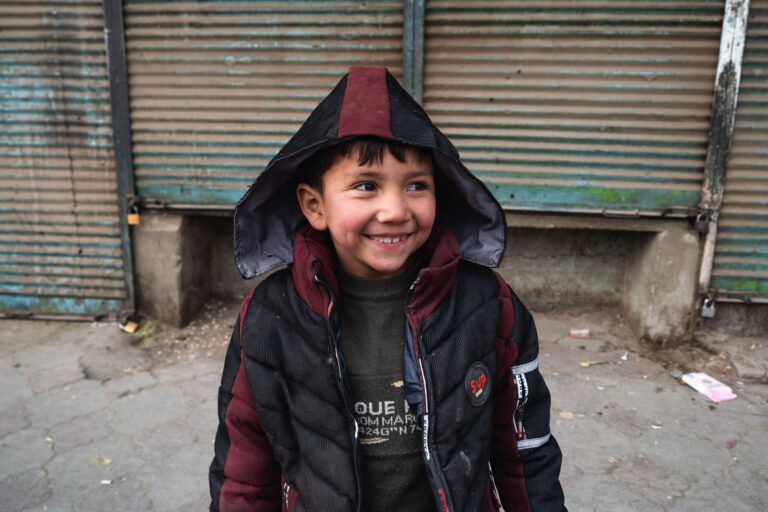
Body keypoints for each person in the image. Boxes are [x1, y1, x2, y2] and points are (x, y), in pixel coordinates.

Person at [209, 66, 566, 512]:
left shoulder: (489, 306)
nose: (395, 210)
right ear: (314, 205)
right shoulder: (270, 318)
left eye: (417, 185)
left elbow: (524, 452)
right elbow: (243, 470)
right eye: (366, 186)